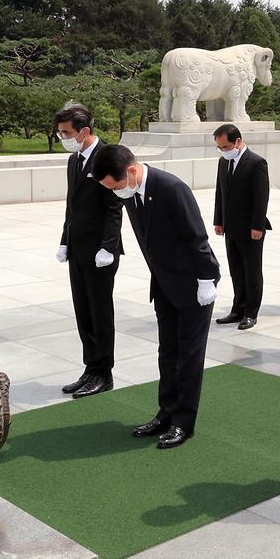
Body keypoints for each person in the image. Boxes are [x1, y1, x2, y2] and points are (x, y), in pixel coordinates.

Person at [93, 145, 220, 449]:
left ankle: (183, 423)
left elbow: (196, 237)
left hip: (194, 284)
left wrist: (205, 279)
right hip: (164, 283)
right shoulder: (133, 193)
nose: (116, 194)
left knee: (189, 356)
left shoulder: (172, 189)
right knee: (168, 352)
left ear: (132, 172)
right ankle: (166, 413)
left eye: (116, 186)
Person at [54, 103, 124, 400]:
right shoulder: (75, 160)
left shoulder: (108, 157)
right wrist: (64, 240)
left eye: (67, 132)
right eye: (59, 133)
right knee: (83, 310)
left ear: (84, 131)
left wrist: (108, 246)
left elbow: (115, 207)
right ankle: (90, 368)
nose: (63, 137)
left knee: (100, 311)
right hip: (78, 248)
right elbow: (73, 205)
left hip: (100, 252)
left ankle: (103, 372)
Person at [212, 124, 271, 330]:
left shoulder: (256, 163)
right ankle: (238, 308)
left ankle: (251, 312)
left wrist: (257, 226)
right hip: (231, 227)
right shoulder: (223, 162)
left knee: (251, 271)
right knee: (236, 269)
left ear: (238, 141)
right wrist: (218, 220)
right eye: (220, 147)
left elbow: (261, 198)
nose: (223, 151)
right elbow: (220, 192)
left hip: (251, 228)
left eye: (226, 146)